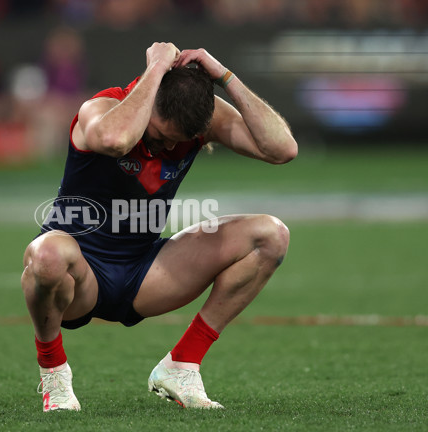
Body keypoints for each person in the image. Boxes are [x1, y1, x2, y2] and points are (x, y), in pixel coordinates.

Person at [22, 42, 298, 412]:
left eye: (176, 141)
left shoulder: (197, 118)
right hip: (79, 273)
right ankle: (54, 375)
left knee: (271, 236)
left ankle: (182, 365)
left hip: (145, 273)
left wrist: (224, 76)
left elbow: (282, 149)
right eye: (159, 134)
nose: (166, 145)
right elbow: (115, 140)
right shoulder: (102, 108)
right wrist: (156, 69)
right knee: (48, 254)